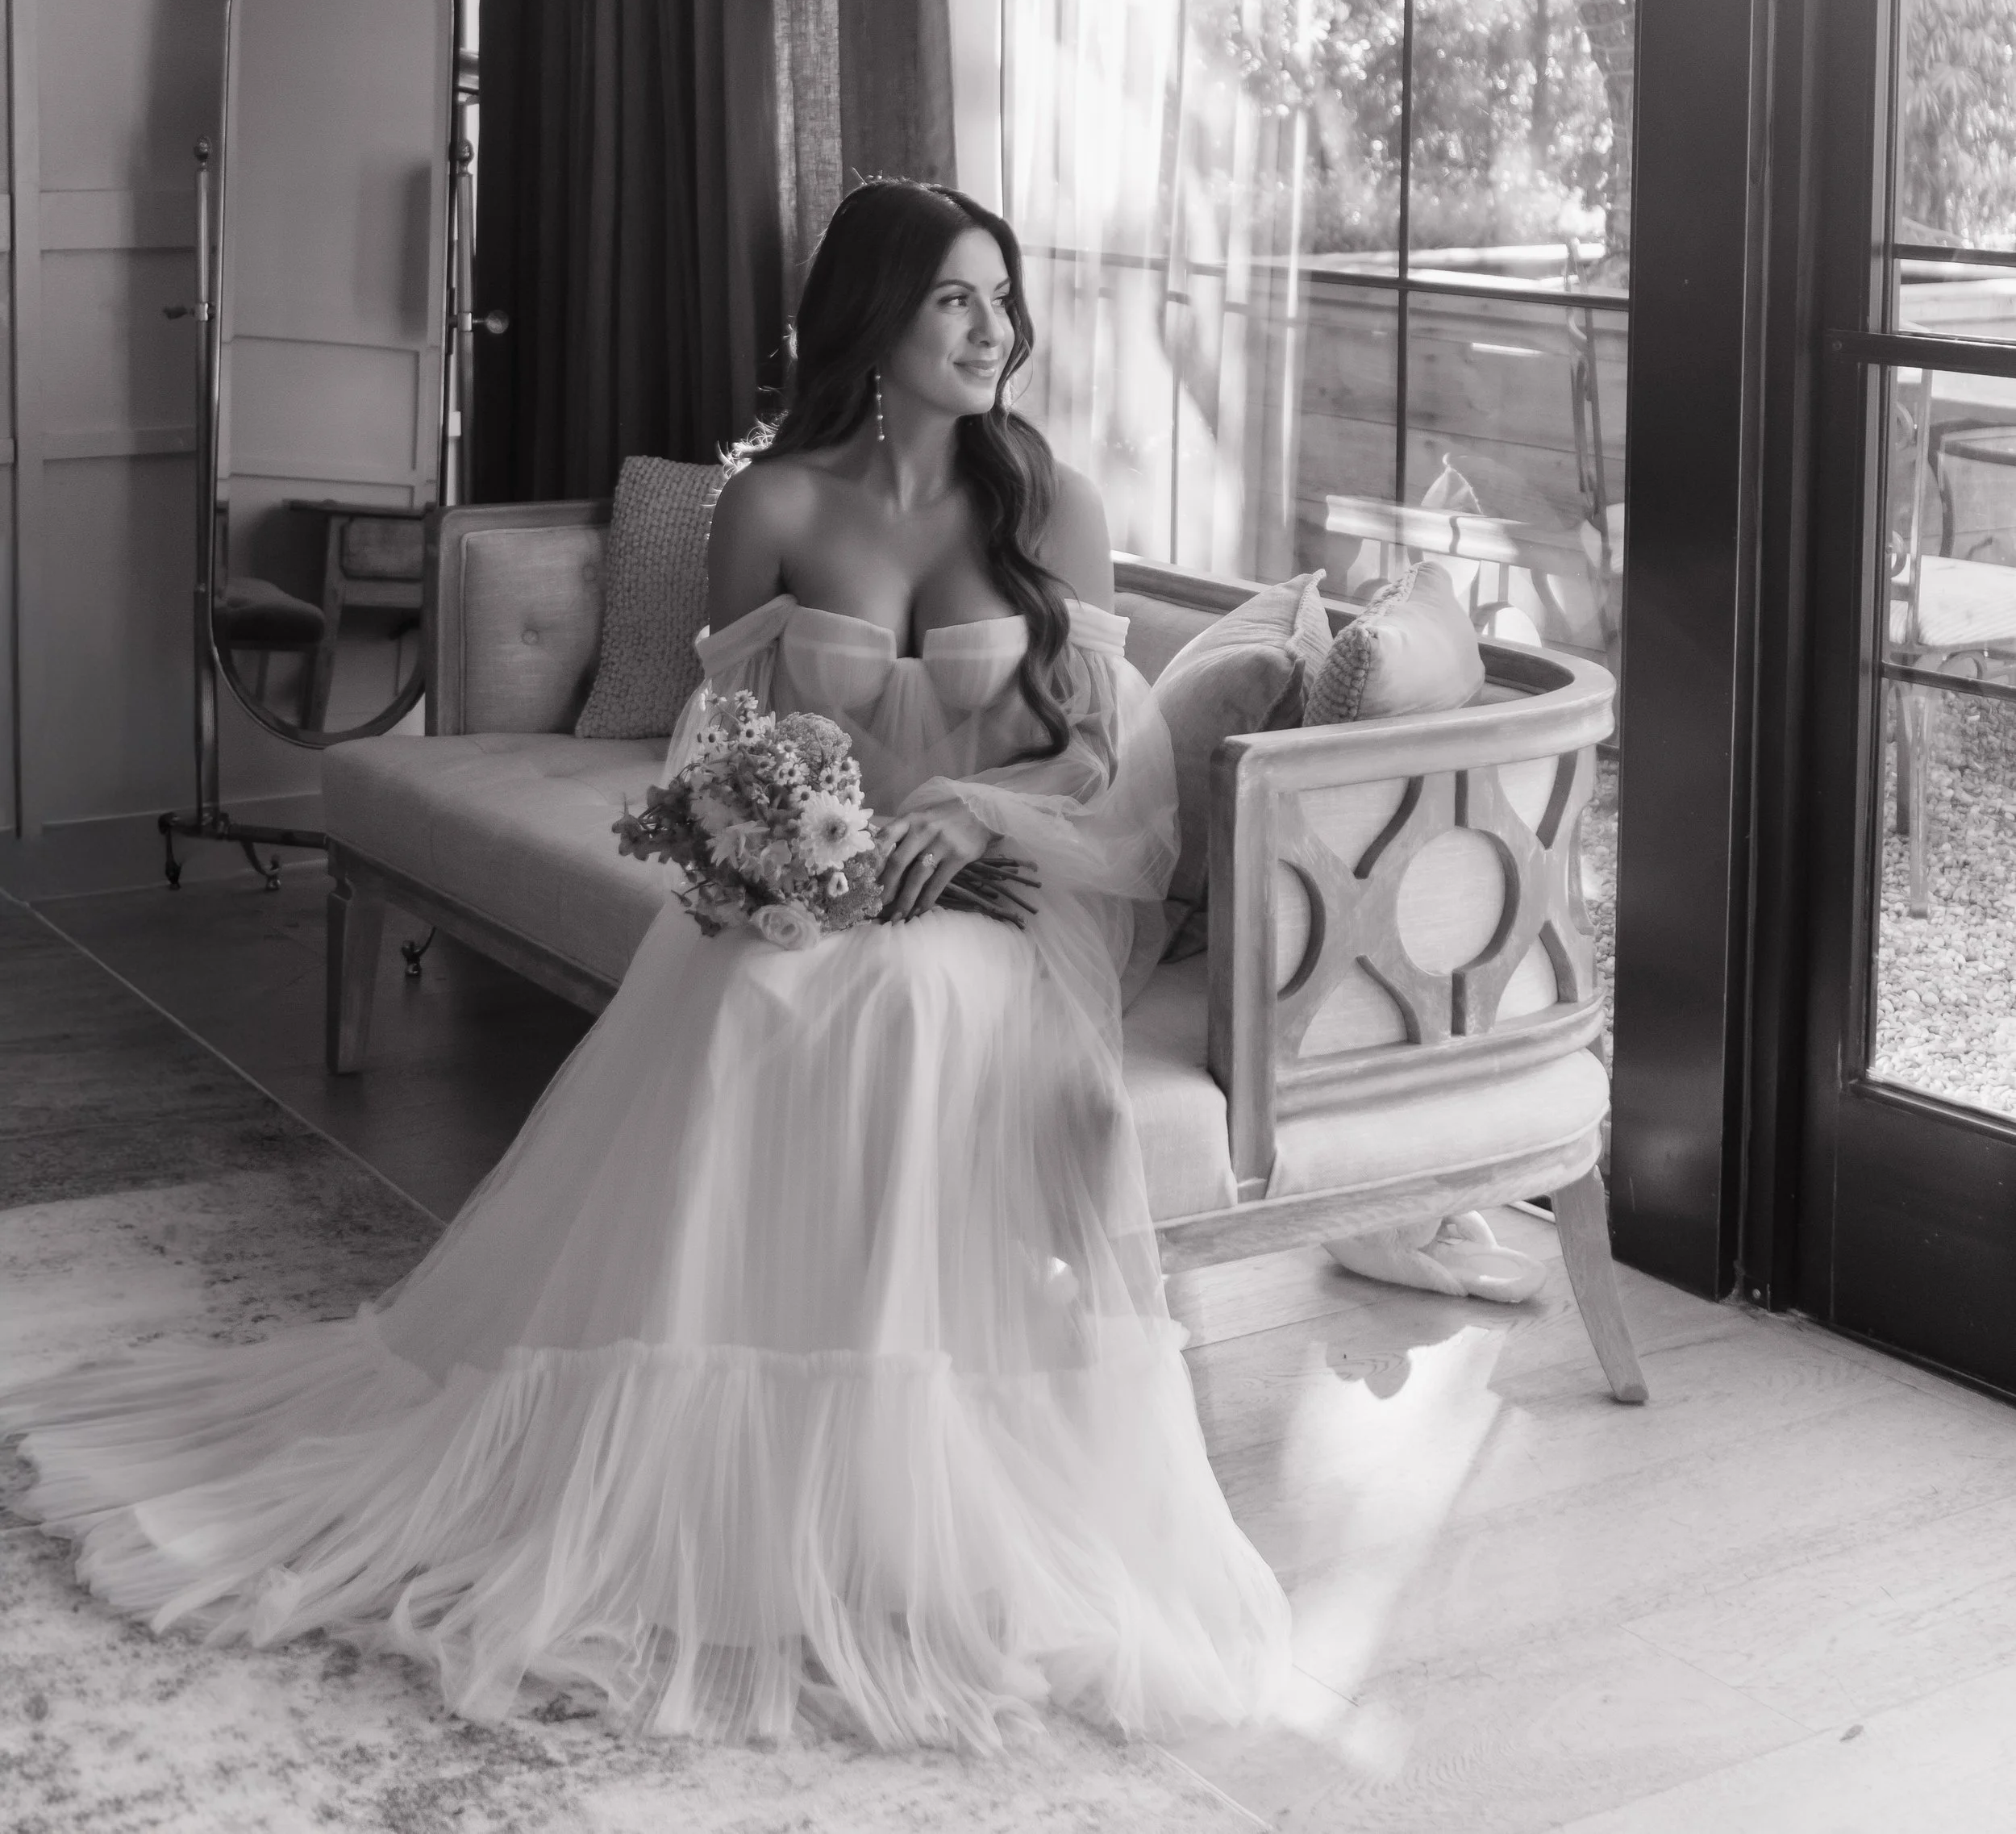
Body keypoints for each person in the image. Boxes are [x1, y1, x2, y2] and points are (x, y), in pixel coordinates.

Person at [1, 181, 1292, 1750]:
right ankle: (730, 1461)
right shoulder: (773, 506)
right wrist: (809, 855)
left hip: (1007, 893)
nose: (991, 329)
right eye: (956, 297)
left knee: (905, 1003)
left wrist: (963, 820)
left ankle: (893, 1481)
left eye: (999, 298)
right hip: (820, 882)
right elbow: (724, 750)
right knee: (757, 995)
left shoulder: (1044, 497)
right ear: (870, 316)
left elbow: (1105, 764)